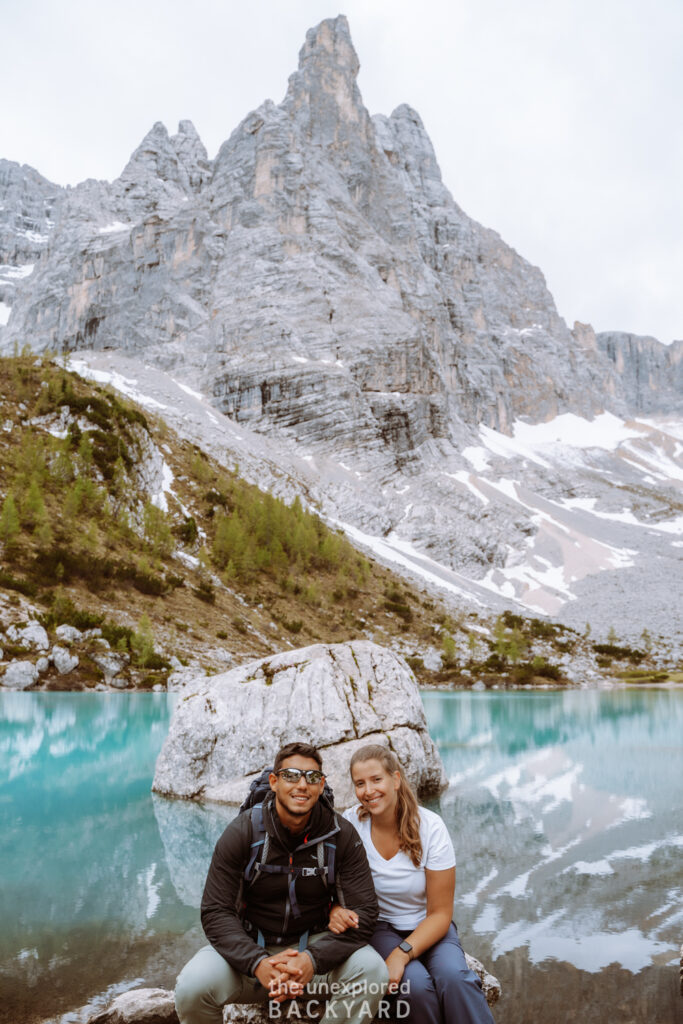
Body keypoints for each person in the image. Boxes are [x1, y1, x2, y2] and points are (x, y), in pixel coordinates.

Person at [175, 741, 389, 1024]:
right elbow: (216, 912)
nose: (302, 784)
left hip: (315, 953)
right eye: (291, 775)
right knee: (192, 987)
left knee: (372, 971)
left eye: (312, 777)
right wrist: (257, 962)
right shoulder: (243, 832)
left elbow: (365, 914)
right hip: (249, 954)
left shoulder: (341, 835)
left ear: (321, 784)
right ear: (274, 782)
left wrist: (312, 960)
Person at [331, 744, 494, 1024]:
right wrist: (334, 908)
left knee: (456, 979)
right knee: (414, 987)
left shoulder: (431, 827)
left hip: (429, 925)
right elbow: (330, 879)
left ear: (395, 780)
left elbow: (441, 914)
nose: (368, 791)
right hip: (381, 926)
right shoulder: (351, 823)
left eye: (376, 779)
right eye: (360, 783)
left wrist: (402, 953)